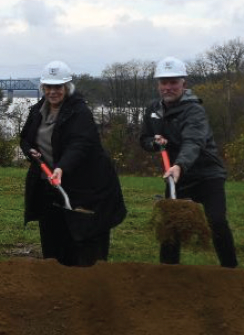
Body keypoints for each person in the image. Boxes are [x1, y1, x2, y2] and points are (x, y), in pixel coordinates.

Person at [20, 61, 126, 266]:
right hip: (50, 186)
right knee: (54, 244)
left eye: (58, 87)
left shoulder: (79, 112)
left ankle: (90, 286)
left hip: (86, 187)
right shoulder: (37, 110)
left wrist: (62, 167)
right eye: (48, 87)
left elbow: (80, 144)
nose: (52, 92)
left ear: (67, 87)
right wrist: (29, 150)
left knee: (86, 243)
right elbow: (25, 138)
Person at [140, 56, 237, 268]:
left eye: (173, 82)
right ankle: (168, 272)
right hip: (177, 176)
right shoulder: (153, 109)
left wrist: (180, 165)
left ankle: (231, 272)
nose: (168, 87)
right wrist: (154, 143)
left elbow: (193, 141)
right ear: (158, 85)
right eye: (163, 83)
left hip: (207, 174)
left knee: (216, 221)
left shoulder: (194, 110)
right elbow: (144, 139)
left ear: (184, 83)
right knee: (171, 225)